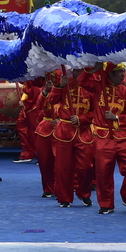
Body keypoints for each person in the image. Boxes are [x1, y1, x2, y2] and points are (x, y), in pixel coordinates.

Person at [78, 62, 126, 214]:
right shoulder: (98, 87)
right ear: (110, 74)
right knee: (104, 172)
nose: (122, 75)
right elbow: (81, 81)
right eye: (118, 72)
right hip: (103, 136)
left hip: (123, 135)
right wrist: (94, 68)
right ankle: (106, 204)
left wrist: (117, 117)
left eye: (122, 71)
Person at [49, 68, 95, 208]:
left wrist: (82, 118)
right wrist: (60, 86)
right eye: (75, 71)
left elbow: (96, 111)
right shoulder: (65, 84)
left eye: (80, 71)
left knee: (86, 167)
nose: (77, 74)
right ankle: (64, 197)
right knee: (63, 167)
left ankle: (84, 193)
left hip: (84, 131)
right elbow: (51, 100)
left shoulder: (92, 87)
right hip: (64, 131)